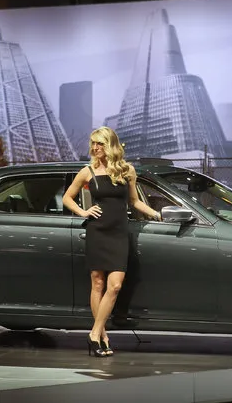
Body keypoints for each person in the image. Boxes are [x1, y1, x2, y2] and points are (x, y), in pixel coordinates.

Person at [62, 126, 161, 357]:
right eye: (93, 143)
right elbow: (67, 197)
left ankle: (94, 333)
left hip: (118, 234)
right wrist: (84, 212)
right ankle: (102, 335)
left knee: (114, 286)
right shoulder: (88, 171)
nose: (95, 148)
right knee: (97, 284)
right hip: (97, 232)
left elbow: (135, 202)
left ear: (110, 145)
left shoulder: (127, 171)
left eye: (100, 144)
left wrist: (156, 214)